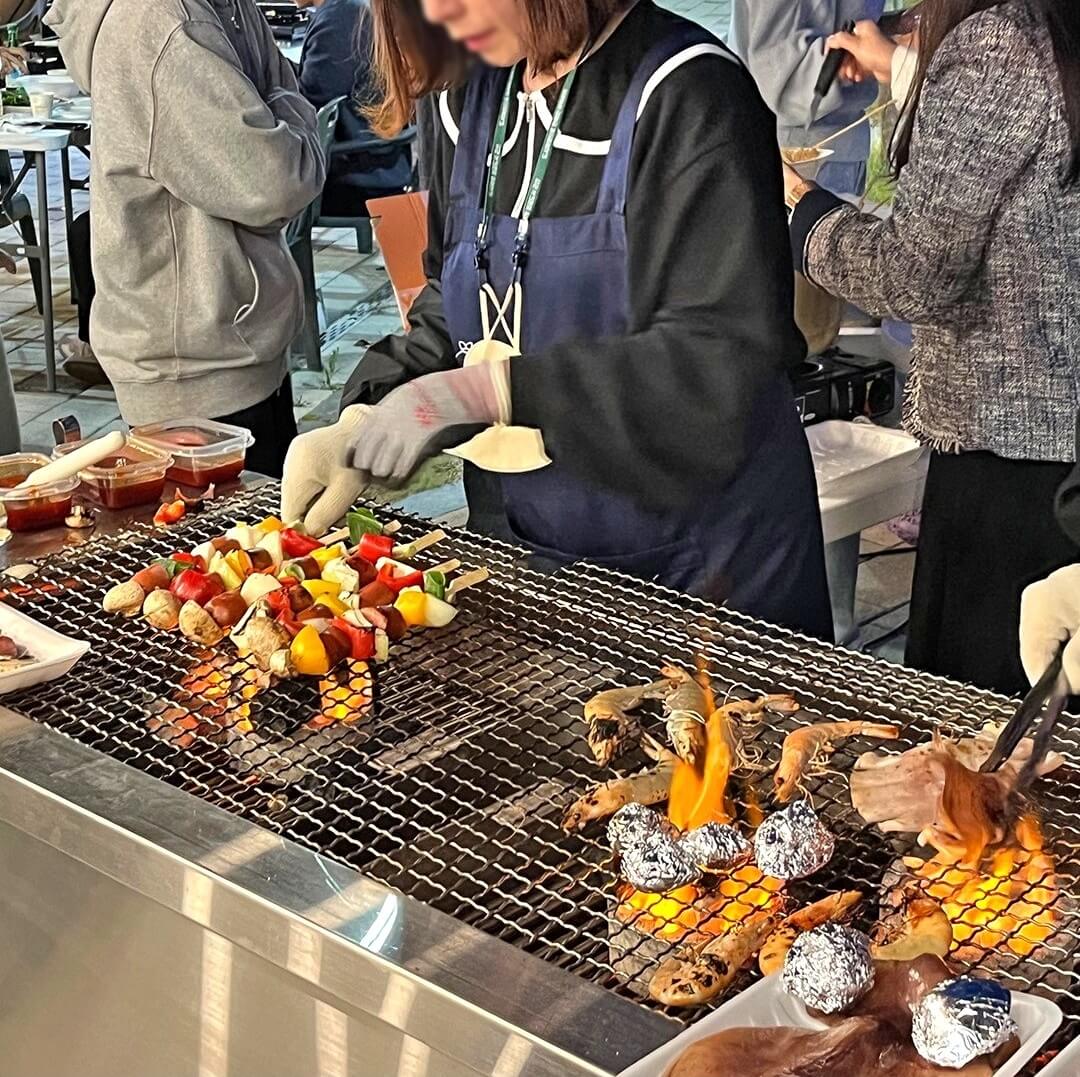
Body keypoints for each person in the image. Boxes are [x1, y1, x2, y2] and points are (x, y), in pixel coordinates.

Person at [282, 0, 833, 640]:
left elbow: (717, 360)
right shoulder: (467, 93)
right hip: (526, 544)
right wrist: (367, 414)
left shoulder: (689, 91)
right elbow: (457, 291)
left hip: (702, 566)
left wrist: (488, 392)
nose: (440, 10)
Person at [784, 0, 1080, 694]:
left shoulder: (998, 43)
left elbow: (913, 273)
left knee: (975, 741)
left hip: (1008, 461)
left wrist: (804, 212)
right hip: (1059, 458)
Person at [44, 0, 326, 478]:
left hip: (238, 347)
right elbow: (279, 179)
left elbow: (287, 101)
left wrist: (282, 109)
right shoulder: (156, 22)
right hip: (194, 374)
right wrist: (288, 111)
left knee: (272, 543)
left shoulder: (225, 7)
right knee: (233, 549)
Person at [728, 0, 884, 195]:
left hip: (840, 146)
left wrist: (894, 31)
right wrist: (890, 56)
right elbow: (778, 72)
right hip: (798, 155)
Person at [292, 0, 412, 216]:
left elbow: (309, 106)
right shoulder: (348, 8)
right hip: (380, 163)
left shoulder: (339, 18)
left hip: (358, 177)